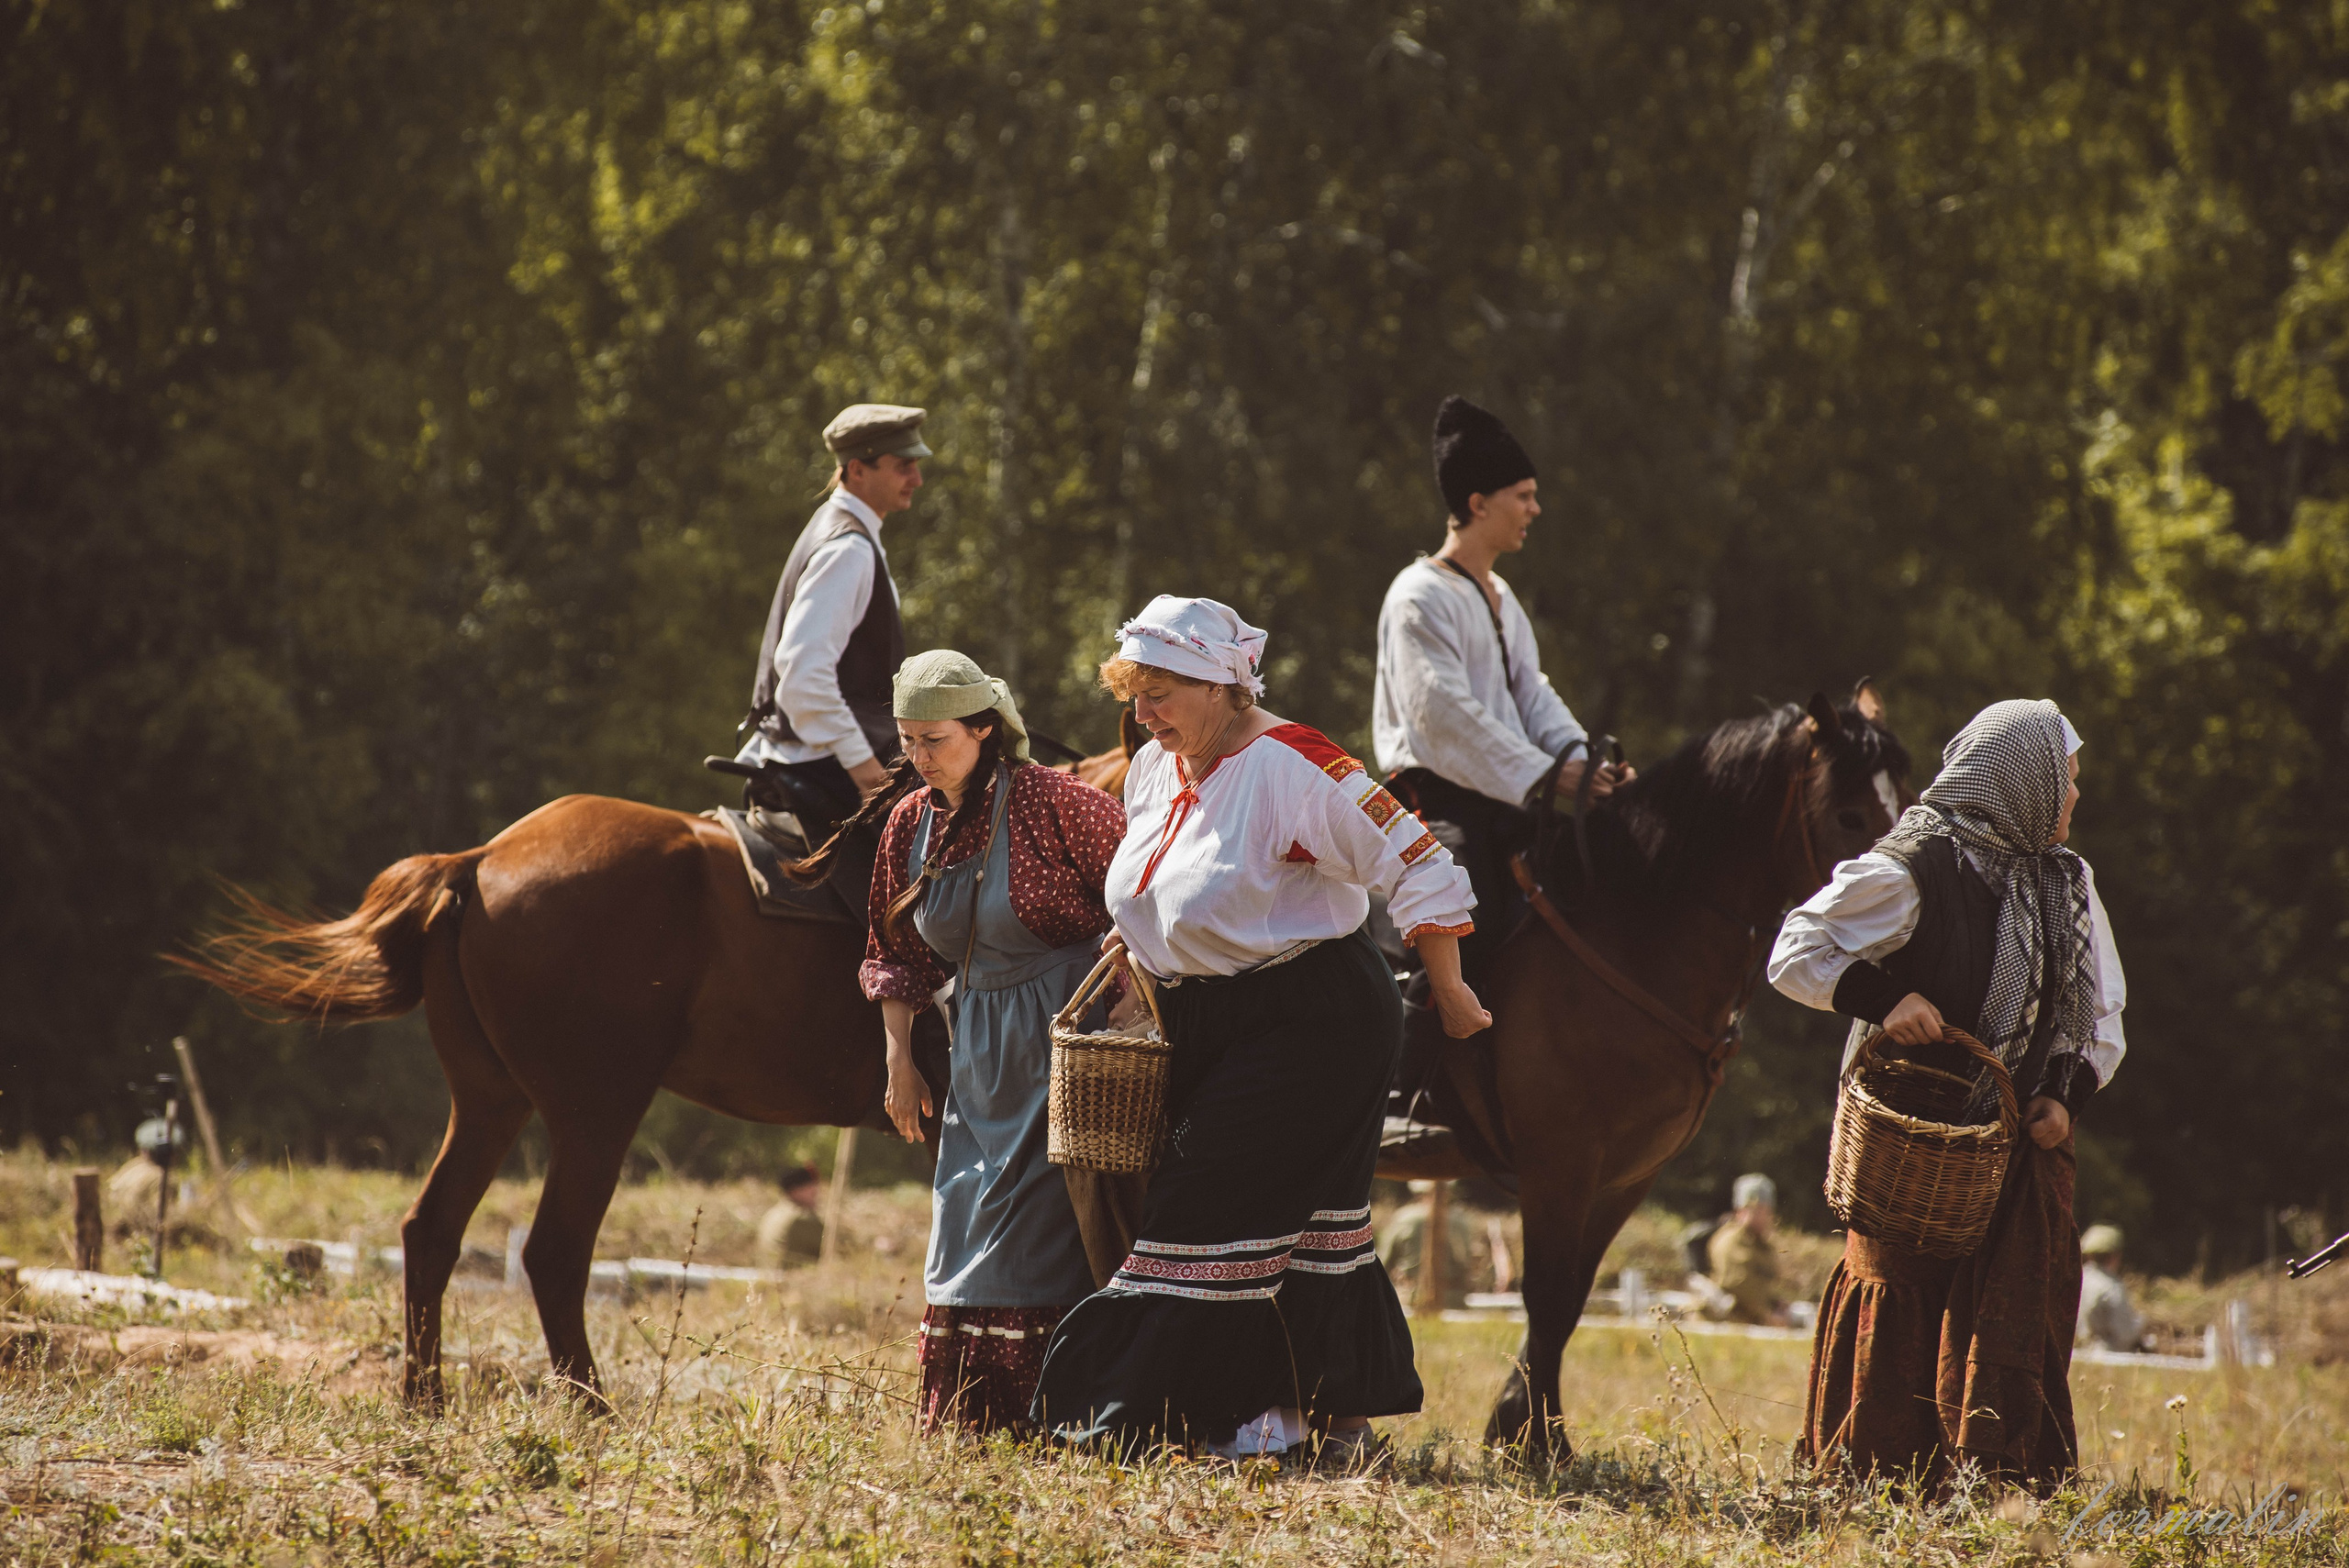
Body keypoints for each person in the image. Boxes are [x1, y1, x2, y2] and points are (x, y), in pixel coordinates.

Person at [1031, 595, 1487, 1465]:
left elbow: (1419, 860)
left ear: (1225, 685)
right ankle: (1333, 1423)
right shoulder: (1159, 766)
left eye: (1161, 692)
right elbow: (1155, 888)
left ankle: (1193, 1420)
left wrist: (1451, 990)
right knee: (1309, 1224)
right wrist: (1137, 957)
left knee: (1203, 1209)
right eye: (1134, 695)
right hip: (1206, 1021)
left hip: (1312, 1020)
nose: (1142, 714)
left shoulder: (1296, 762)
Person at [1769, 698, 2128, 1493]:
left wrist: (2064, 1095)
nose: (2074, 798)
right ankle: (1882, 1477)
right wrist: (1882, 999)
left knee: (2009, 1302)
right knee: (1907, 1297)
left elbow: (2101, 1013)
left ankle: (1994, 1480)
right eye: (2064, 780)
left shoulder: (2066, 880)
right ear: (2020, 780)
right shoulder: (1915, 865)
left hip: (2011, 1149)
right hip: (1917, 1149)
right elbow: (1795, 950)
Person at [823, 650, 1126, 1437]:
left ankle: (1061, 1412)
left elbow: (1143, 897)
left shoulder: (1058, 801)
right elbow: (895, 955)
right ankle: (975, 1418)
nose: (919, 759)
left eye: (935, 741)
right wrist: (898, 1061)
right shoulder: (907, 824)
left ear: (985, 729)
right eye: (909, 742)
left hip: (1073, 1036)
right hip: (978, 1048)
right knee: (964, 1211)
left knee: (1045, 1219)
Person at [1374, 395, 1626, 989]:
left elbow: (1532, 695)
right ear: (1479, 503)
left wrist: (1584, 767)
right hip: (1437, 806)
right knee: (1460, 922)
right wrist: (1546, 776)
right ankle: (1400, 1081)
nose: (1535, 508)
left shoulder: (1502, 597)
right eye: (1524, 496)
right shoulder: (1418, 594)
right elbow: (1440, 716)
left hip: (1508, 802)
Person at [735, 403, 930, 851]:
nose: (917, 480)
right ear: (857, 470)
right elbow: (803, 677)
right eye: (903, 467)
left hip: (817, 757)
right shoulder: (848, 549)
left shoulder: (840, 531)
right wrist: (868, 775)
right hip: (828, 767)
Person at [1376, 1181, 1477, 1310]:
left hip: (1412, 1296)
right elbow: (1466, 1264)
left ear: (1418, 1194)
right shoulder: (1461, 1220)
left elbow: (1383, 1263)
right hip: (1454, 1298)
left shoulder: (1404, 1218)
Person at [1705, 1173, 1789, 1327]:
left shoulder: (1764, 1245)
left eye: (1766, 1211)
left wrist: (1775, 1302)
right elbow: (1740, 1287)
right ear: (1739, 1211)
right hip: (1726, 1320)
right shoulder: (1729, 1241)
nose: (1762, 1217)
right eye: (1755, 1210)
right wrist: (1767, 1316)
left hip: (1754, 1321)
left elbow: (1763, 1283)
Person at [2076, 1225, 2146, 1353]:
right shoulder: (2111, 1287)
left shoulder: (2079, 1280)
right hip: (2108, 1353)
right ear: (2115, 1255)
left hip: (2080, 1350)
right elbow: (2126, 1333)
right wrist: (2141, 1323)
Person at [755, 1163, 827, 1269]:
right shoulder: (801, 1219)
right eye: (810, 1187)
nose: (816, 1192)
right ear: (795, 1190)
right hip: (792, 1281)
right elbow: (839, 1249)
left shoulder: (771, 1213)